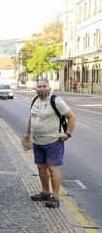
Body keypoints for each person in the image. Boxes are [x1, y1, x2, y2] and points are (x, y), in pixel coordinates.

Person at [23, 79, 76, 208]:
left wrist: (68, 134)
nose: (41, 88)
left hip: (53, 141)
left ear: (49, 87)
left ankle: (55, 197)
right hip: (37, 141)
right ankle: (45, 192)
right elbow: (32, 117)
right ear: (35, 88)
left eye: (44, 86)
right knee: (41, 168)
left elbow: (71, 117)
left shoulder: (56, 100)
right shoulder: (35, 100)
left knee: (52, 169)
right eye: (39, 86)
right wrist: (27, 133)